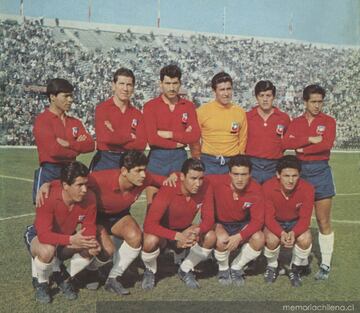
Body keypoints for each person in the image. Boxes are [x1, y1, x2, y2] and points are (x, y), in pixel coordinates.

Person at [36, 151, 173, 296]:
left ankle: (112, 279)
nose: (144, 174)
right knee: (106, 249)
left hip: (119, 216)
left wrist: (175, 176)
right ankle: (73, 274)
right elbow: (74, 181)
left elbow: (163, 181)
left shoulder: (144, 179)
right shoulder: (101, 179)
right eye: (138, 170)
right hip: (97, 217)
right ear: (124, 171)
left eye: (144, 169)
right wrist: (49, 184)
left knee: (135, 236)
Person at [24, 162, 114, 303]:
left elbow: (89, 226)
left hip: (66, 237)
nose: (84, 189)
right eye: (79, 185)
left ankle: (63, 276)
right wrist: (72, 240)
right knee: (48, 250)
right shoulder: (47, 196)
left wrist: (90, 240)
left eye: (86, 184)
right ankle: (41, 283)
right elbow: (44, 235)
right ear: (65, 185)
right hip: (39, 235)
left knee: (92, 248)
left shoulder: (89, 197)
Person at [283, 85, 336, 280]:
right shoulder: (296, 122)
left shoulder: (329, 121)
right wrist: (310, 139)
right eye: (313, 101)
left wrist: (302, 148)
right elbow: (286, 143)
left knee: (323, 221)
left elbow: (326, 144)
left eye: (320, 101)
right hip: (301, 173)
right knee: (299, 220)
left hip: (321, 172)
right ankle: (301, 262)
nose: (317, 105)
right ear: (305, 102)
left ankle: (325, 264)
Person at [141, 158, 215, 290]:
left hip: (184, 229)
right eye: (193, 178)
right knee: (150, 240)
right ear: (182, 176)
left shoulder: (206, 185)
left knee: (210, 236)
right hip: (163, 232)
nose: (198, 183)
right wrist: (177, 236)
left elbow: (209, 219)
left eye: (201, 178)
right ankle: (150, 270)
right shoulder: (169, 187)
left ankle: (185, 269)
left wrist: (196, 231)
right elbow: (149, 225)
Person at [143, 64, 200, 202]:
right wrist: (179, 141)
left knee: (176, 204)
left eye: (175, 83)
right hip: (157, 158)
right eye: (168, 83)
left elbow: (195, 135)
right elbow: (152, 139)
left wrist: (170, 134)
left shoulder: (188, 106)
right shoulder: (150, 106)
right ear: (161, 84)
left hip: (179, 159)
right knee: (153, 204)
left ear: (180, 83)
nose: (172, 87)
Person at [32, 78, 94, 202]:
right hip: (50, 172)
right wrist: (77, 147)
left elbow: (91, 145)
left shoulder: (75, 122)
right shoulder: (43, 120)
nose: (70, 100)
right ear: (52, 97)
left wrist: (69, 144)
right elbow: (54, 151)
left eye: (71, 96)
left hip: (71, 171)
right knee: (47, 213)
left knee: (69, 212)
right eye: (66, 96)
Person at [208, 155, 264, 286]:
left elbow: (258, 221)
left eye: (244, 174)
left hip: (242, 224)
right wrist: (175, 174)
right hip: (221, 223)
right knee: (222, 240)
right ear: (229, 173)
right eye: (236, 174)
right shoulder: (216, 181)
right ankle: (223, 269)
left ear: (250, 174)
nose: (239, 179)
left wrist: (240, 236)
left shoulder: (256, 189)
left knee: (259, 239)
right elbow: (194, 176)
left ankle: (236, 267)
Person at [262, 155, 314, 287]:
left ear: (299, 175)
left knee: (306, 239)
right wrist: (281, 233)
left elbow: (305, 218)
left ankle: (294, 268)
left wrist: (294, 232)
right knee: (271, 239)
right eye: (286, 176)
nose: (290, 180)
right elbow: (268, 217)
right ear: (278, 174)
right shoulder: (267, 187)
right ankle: (272, 266)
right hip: (276, 221)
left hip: (295, 222)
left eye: (294, 176)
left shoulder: (308, 188)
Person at [191, 72, 248, 174]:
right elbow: (194, 138)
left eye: (229, 89)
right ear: (214, 91)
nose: (226, 93)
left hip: (232, 161)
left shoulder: (240, 112)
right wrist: (197, 157)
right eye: (222, 89)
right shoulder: (202, 111)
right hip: (208, 161)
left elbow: (242, 139)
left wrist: (239, 159)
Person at [91, 68, 146, 171]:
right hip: (106, 160)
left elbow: (141, 144)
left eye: (129, 85)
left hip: (129, 161)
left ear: (133, 88)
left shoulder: (137, 114)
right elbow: (105, 138)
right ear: (113, 85)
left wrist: (114, 133)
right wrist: (130, 136)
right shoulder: (102, 109)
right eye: (121, 84)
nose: (125, 89)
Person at [246, 80, 290, 184]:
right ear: (256, 97)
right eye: (261, 95)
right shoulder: (247, 117)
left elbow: (288, 141)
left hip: (274, 165)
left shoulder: (284, 118)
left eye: (268, 95)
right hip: (252, 165)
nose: (265, 99)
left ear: (273, 97)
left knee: (272, 198)